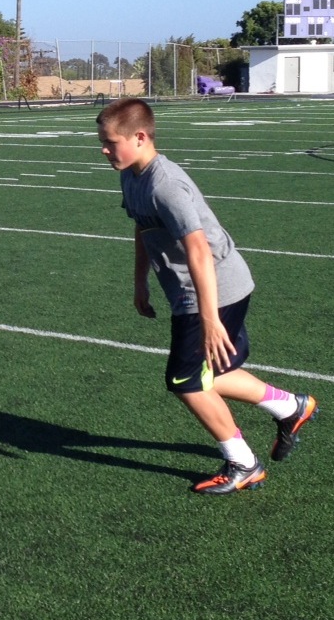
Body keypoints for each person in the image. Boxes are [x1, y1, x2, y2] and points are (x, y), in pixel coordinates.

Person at [96, 98, 318, 494]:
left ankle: (243, 463)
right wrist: (139, 282)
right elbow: (143, 229)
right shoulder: (131, 176)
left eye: (111, 142)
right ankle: (291, 407)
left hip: (213, 291)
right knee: (213, 373)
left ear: (141, 137)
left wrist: (210, 318)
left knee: (186, 381)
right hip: (197, 292)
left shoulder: (166, 184)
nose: (104, 149)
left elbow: (198, 249)